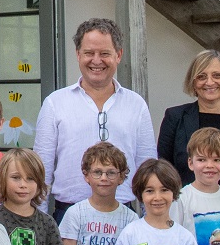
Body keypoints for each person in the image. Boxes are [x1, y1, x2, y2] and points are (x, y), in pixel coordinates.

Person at [35, 17, 157, 216]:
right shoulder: (55, 103)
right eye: (89, 53)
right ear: (78, 54)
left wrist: (150, 222)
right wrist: (38, 224)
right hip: (67, 213)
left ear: (118, 55)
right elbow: (42, 170)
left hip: (123, 215)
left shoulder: (136, 105)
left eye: (105, 53)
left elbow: (147, 168)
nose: (97, 60)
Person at [157, 51, 220, 204]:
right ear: (193, 82)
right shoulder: (175, 117)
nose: (210, 82)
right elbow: (164, 168)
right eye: (201, 76)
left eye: (217, 75)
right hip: (188, 209)